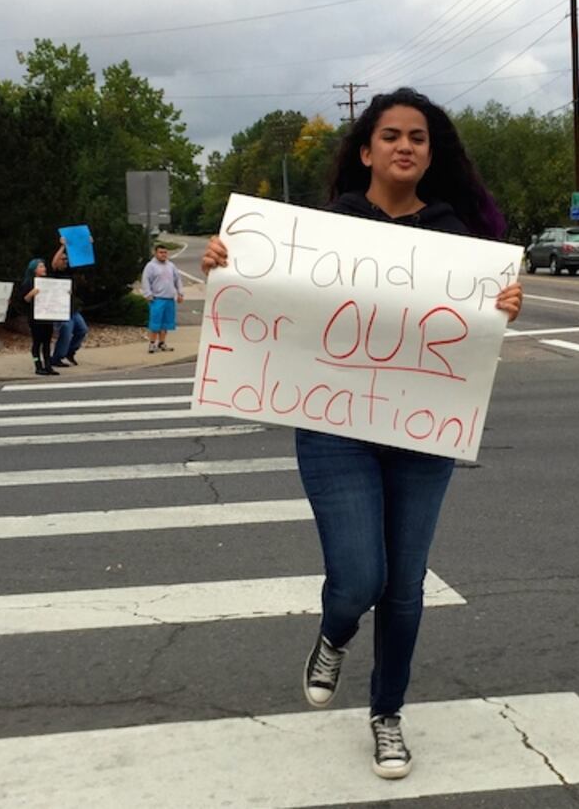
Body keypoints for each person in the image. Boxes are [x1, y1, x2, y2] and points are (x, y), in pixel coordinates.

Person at [200, 88, 522, 781]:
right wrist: (228, 265)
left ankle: (387, 714)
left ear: (431, 154)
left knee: (405, 587)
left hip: (421, 431)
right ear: (367, 150)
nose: (406, 145)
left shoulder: (458, 238)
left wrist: (504, 308)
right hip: (334, 427)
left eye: (419, 137)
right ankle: (334, 633)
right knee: (358, 580)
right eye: (392, 135)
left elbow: (470, 332)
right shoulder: (326, 227)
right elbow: (270, 296)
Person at [49, 237, 90, 368]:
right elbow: (54, 263)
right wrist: (63, 247)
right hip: (61, 309)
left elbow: (81, 260)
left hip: (72, 308)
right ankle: (57, 357)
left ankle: (70, 352)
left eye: (66, 259)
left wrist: (86, 244)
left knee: (82, 330)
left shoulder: (69, 271)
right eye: (63, 259)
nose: (65, 261)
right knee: (66, 331)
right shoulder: (55, 273)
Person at [141, 244, 184, 353]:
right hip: (157, 299)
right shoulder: (150, 266)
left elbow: (177, 280)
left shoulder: (171, 266)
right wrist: (148, 294)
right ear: (156, 253)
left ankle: (162, 343)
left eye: (165, 252)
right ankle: (152, 344)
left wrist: (180, 293)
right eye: (161, 252)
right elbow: (145, 281)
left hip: (169, 298)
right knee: (155, 323)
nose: (163, 255)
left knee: (165, 323)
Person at [21, 258, 59, 377]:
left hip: (47, 316)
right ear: (34, 269)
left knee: (47, 342)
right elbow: (24, 300)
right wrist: (31, 294)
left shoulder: (48, 282)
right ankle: (38, 365)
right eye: (41, 266)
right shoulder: (28, 283)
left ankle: (48, 365)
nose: (44, 269)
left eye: (44, 266)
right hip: (35, 317)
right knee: (37, 342)